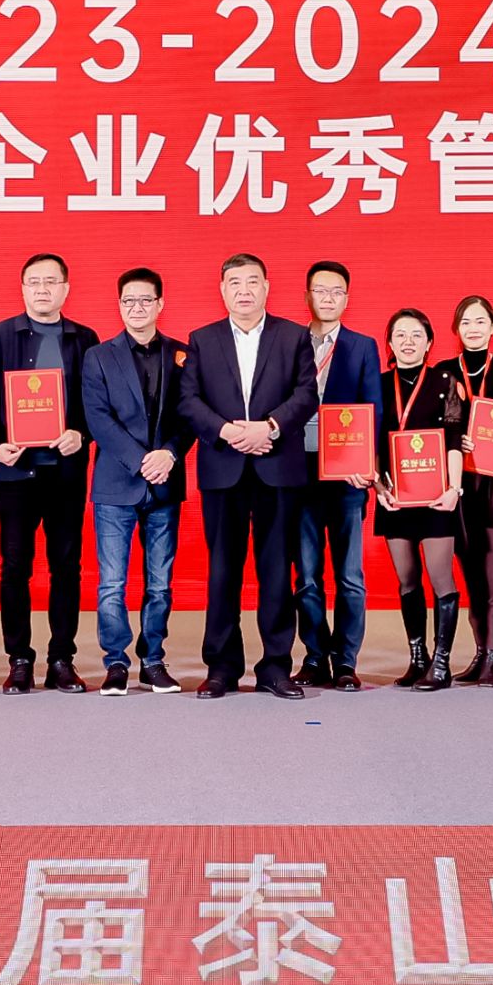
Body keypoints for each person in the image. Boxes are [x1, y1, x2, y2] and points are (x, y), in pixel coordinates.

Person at [180, 252, 320, 698]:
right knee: (223, 570)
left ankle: (275, 667)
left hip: (277, 469)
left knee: (276, 571)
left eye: (252, 281)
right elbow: (189, 400)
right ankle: (221, 667)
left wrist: (269, 428)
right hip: (224, 468)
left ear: (266, 287)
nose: (244, 290)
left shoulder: (293, 336)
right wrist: (229, 432)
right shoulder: (202, 340)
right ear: (223, 290)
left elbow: (307, 394)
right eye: (235, 283)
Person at [0, 254, 96, 695]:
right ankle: (19, 660)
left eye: (51, 281)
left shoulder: (84, 338)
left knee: (66, 567)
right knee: (14, 567)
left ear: (66, 288)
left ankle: (62, 659)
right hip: (16, 474)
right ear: (23, 288)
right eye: (34, 282)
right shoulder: (0, 336)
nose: (42, 289)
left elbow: (96, 401)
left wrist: (81, 433)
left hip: (65, 473)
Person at [78, 266, 189, 695]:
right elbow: (98, 419)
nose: (137, 308)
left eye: (145, 300)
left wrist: (170, 454)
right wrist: (142, 460)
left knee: (159, 583)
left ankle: (154, 660)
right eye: (129, 301)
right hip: (116, 484)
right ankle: (116, 663)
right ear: (119, 305)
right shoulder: (98, 356)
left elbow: (189, 415)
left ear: (160, 304)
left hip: (165, 481)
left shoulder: (182, 355)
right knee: (112, 583)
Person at [287, 260, 384, 691]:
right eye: (320, 291)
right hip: (298, 471)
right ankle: (314, 657)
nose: (328, 299)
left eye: (336, 292)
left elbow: (373, 408)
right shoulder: (289, 342)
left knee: (349, 576)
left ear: (347, 297)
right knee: (306, 575)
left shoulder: (361, 346)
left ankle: (345, 660)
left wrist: (367, 463)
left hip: (347, 474)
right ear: (307, 295)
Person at [372, 308, 470, 689]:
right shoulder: (378, 384)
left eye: (416, 335)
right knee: (407, 579)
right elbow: (370, 444)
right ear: (390, 343)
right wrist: (378, 488)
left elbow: (454, 441)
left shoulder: (446, 382)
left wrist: (454, 489)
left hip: (437, 497)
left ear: (429, 342)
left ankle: (441, 665)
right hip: (395, 497)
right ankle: (418, 658)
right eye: (400, 335)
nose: (408, 341)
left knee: (441, 577)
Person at [446, 294, 493, 685]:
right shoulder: (444, 372)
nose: (473, 329)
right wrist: (454, 439)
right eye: (466, 322)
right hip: (459, 482)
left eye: (480, 321)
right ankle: (480, 651)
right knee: (471, 568)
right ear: (456, 329)